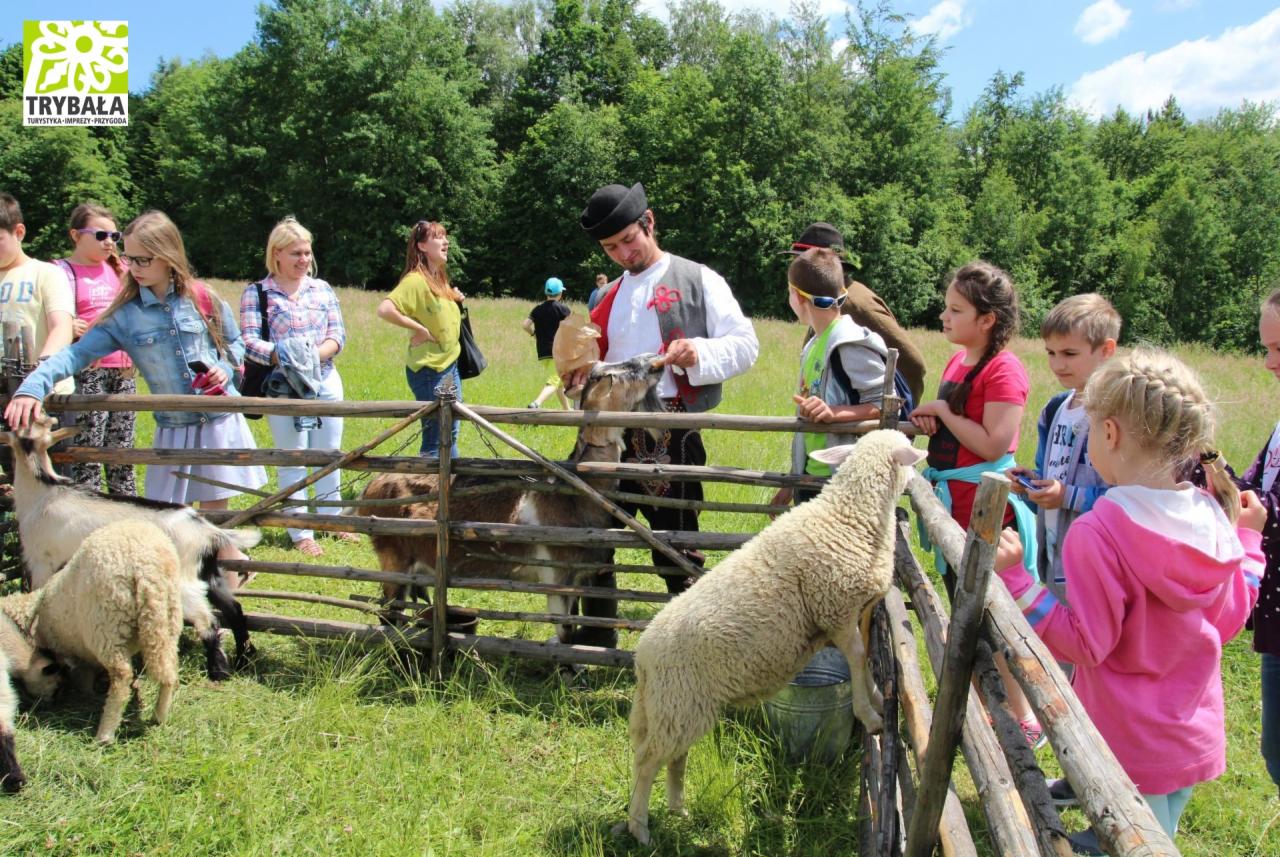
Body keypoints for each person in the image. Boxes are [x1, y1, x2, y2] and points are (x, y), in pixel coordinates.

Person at [993, 348, 1264, 854]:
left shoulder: (1100, 532)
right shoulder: (1211, 514)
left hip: (1125, 742)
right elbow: (1229, 620)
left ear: (1110, 432)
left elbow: (1085, 645)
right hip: (1191, 734)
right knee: (1156, 837)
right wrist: (1250, 544)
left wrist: (1018, 581)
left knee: (1127, 842)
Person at [3, 210, 267, 577]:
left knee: (212, 524)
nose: (133, 268)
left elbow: (234, 343)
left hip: (217, 422)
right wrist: (33, 386)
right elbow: (75, 355)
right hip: (173, 429)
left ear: (169, 256)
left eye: (143, 259)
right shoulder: (125, 317)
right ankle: (222, 582)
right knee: (171, 528)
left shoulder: (201, 296)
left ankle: (220, 612)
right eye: (128, 258)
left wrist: (224, 369)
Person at [575, 181, 758, 642]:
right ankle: (596, 641)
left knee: (676, 548)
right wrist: (579, 376)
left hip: (670, 431)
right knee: (592, 539)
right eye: (610, 247)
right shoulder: (605, 297)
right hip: (607, 433)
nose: (621, 253)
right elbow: (592, 361)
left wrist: (698, 352)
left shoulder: (698, 279)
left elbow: (745, 345)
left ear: (649, 222)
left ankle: (692, 647)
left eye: (628, 240)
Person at [909, 260, 1041, 744]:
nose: (944, 316)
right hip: (955, 507)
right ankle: (991, 710)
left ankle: (1024, 717)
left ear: (987, 319)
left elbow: (993, 444)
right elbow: (961, 429)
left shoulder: (1005, 370)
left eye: (955, 309)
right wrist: (934, 423)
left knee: (994, 618)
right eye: (947, 307)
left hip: (987, 513)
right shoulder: (957, 360)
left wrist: (942, 410)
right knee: (966, 611)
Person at [241, 217, 355, 557]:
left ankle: (332, 521)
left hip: (324, 377)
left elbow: (338, 335)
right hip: (283, 384)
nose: (303, 260)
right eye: (296, 253)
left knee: (328, 454)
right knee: (293, 456)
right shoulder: (258, 292)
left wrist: (312, 357)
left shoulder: (322, 289)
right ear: (276, 254)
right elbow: (248, 341)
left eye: (307, 253)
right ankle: (300, 531)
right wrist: (286, 357)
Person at [1008, 294, 1119, 601]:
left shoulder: (1116, 414)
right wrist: (1032, 487)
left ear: (1106, 350)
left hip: (1098, 569)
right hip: (1056, 561)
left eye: (1069, 353)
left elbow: (1131, 498)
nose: (1057, 364)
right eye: (1051, 353)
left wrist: (1066, 495)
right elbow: (1050, 481)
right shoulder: (1055, 409)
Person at [777, 247, 887, 506]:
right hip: (812, 475)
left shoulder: (848, 343)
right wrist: (793, 481)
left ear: (797, 296)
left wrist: (834, 413)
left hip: (841, 481)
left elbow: (885, 404)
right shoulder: (815, 343)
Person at [782, 222, 927, 404]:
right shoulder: (825, 304)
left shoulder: (855, 303)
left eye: (801, 261)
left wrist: (892, 421)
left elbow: (913, 365)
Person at [53, 202, 137, 496]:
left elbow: (134, 314)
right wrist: (69, 327)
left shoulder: (122, 270)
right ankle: (91, 514)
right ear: (75, 235)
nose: (109, 242)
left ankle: (126, 513)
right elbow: (54, 315)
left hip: (121, 369)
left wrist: (134, 353)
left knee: (121, 450)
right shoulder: (60, 271)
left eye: (114, 236)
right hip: (85, 369)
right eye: (100, 235)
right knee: (89, 448)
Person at [1237, 288, 1280, 797]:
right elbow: (1256, 487)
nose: (1270, 363)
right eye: (1267, 349)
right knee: (1276, 755)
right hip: (1275, 616)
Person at [376, 220, 463, 459]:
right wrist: (418, 328)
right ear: (422, 246)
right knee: (436, 436)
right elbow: (385, 309)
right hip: (429, 370)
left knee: (450, 431)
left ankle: (449, 490)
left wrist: (455, 298)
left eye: (446, 237)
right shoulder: (416, 280)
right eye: (439, 237)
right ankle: (428, 491)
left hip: (449, 366)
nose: (446, 242)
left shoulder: (440, 279)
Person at [0, 193, 75, 387]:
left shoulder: (47, 273)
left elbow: (61, 327)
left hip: (47, 391)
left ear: (19, 232)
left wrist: (40, 372)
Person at [523, 276, 571, 410]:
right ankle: (536, 403)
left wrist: (534, 334)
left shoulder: (537, 309)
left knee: (558, 381)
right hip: (559, 351)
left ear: (546, 293)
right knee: (554, 380)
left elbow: (525, 325)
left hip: (543, 351)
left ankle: (567, 409)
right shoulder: (563, 309)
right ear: (560, 294)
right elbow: (573, 327)